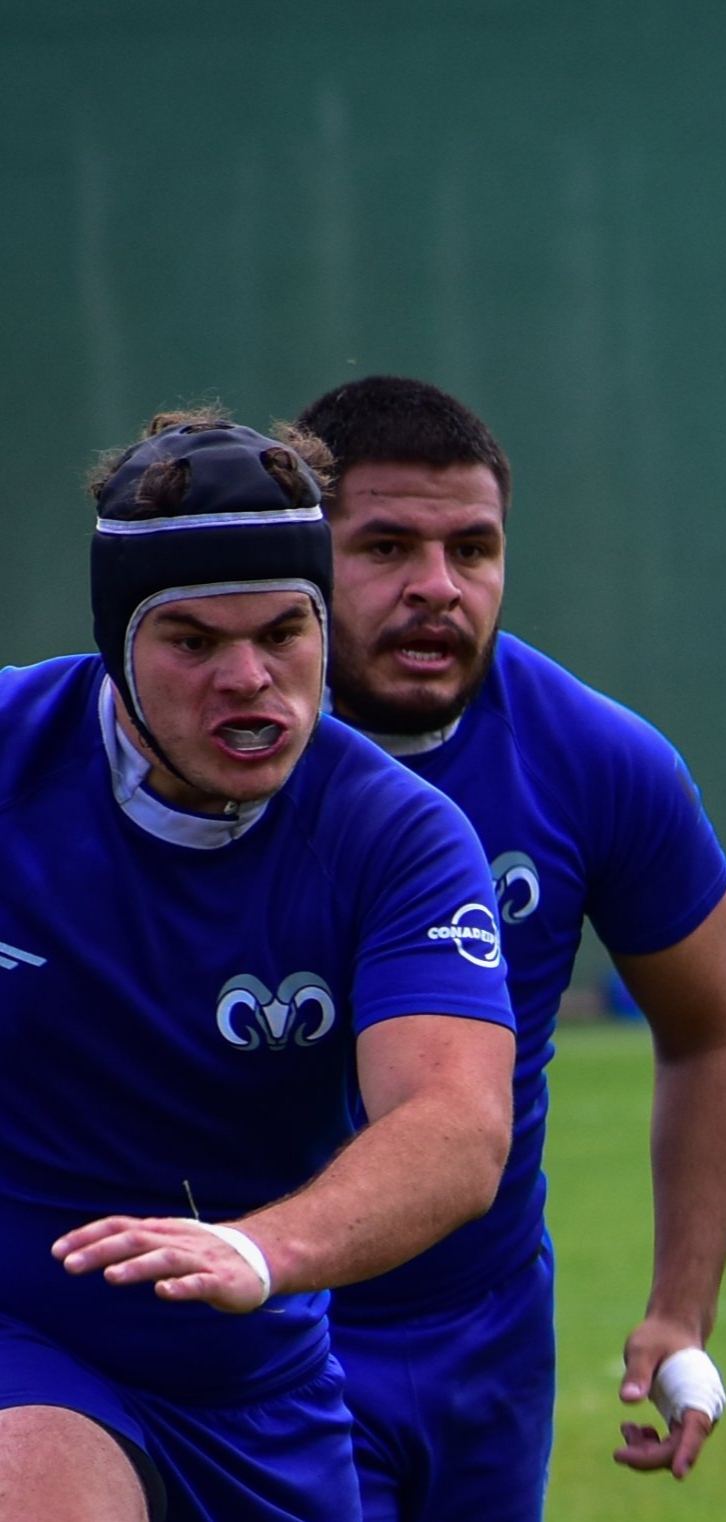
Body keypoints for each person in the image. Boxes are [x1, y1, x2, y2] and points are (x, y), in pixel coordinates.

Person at [0, 414, 516, 1521]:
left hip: (258, 1389)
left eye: (286, 630)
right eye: (191, 641)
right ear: (115, 646)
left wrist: (256, 1248)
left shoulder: (400, 837)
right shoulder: (9, 758)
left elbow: (458, 1127)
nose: (249, 677)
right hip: (23, 1345)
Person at [291, 376, 726, 1520]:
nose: (437, 589)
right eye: (388, 547)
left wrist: (680, 1308)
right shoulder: (220, 763)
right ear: (302, 557)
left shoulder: (598, 761)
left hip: (490, 1336)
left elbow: (710, 1037)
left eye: (474, 548)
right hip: (269, 1334)